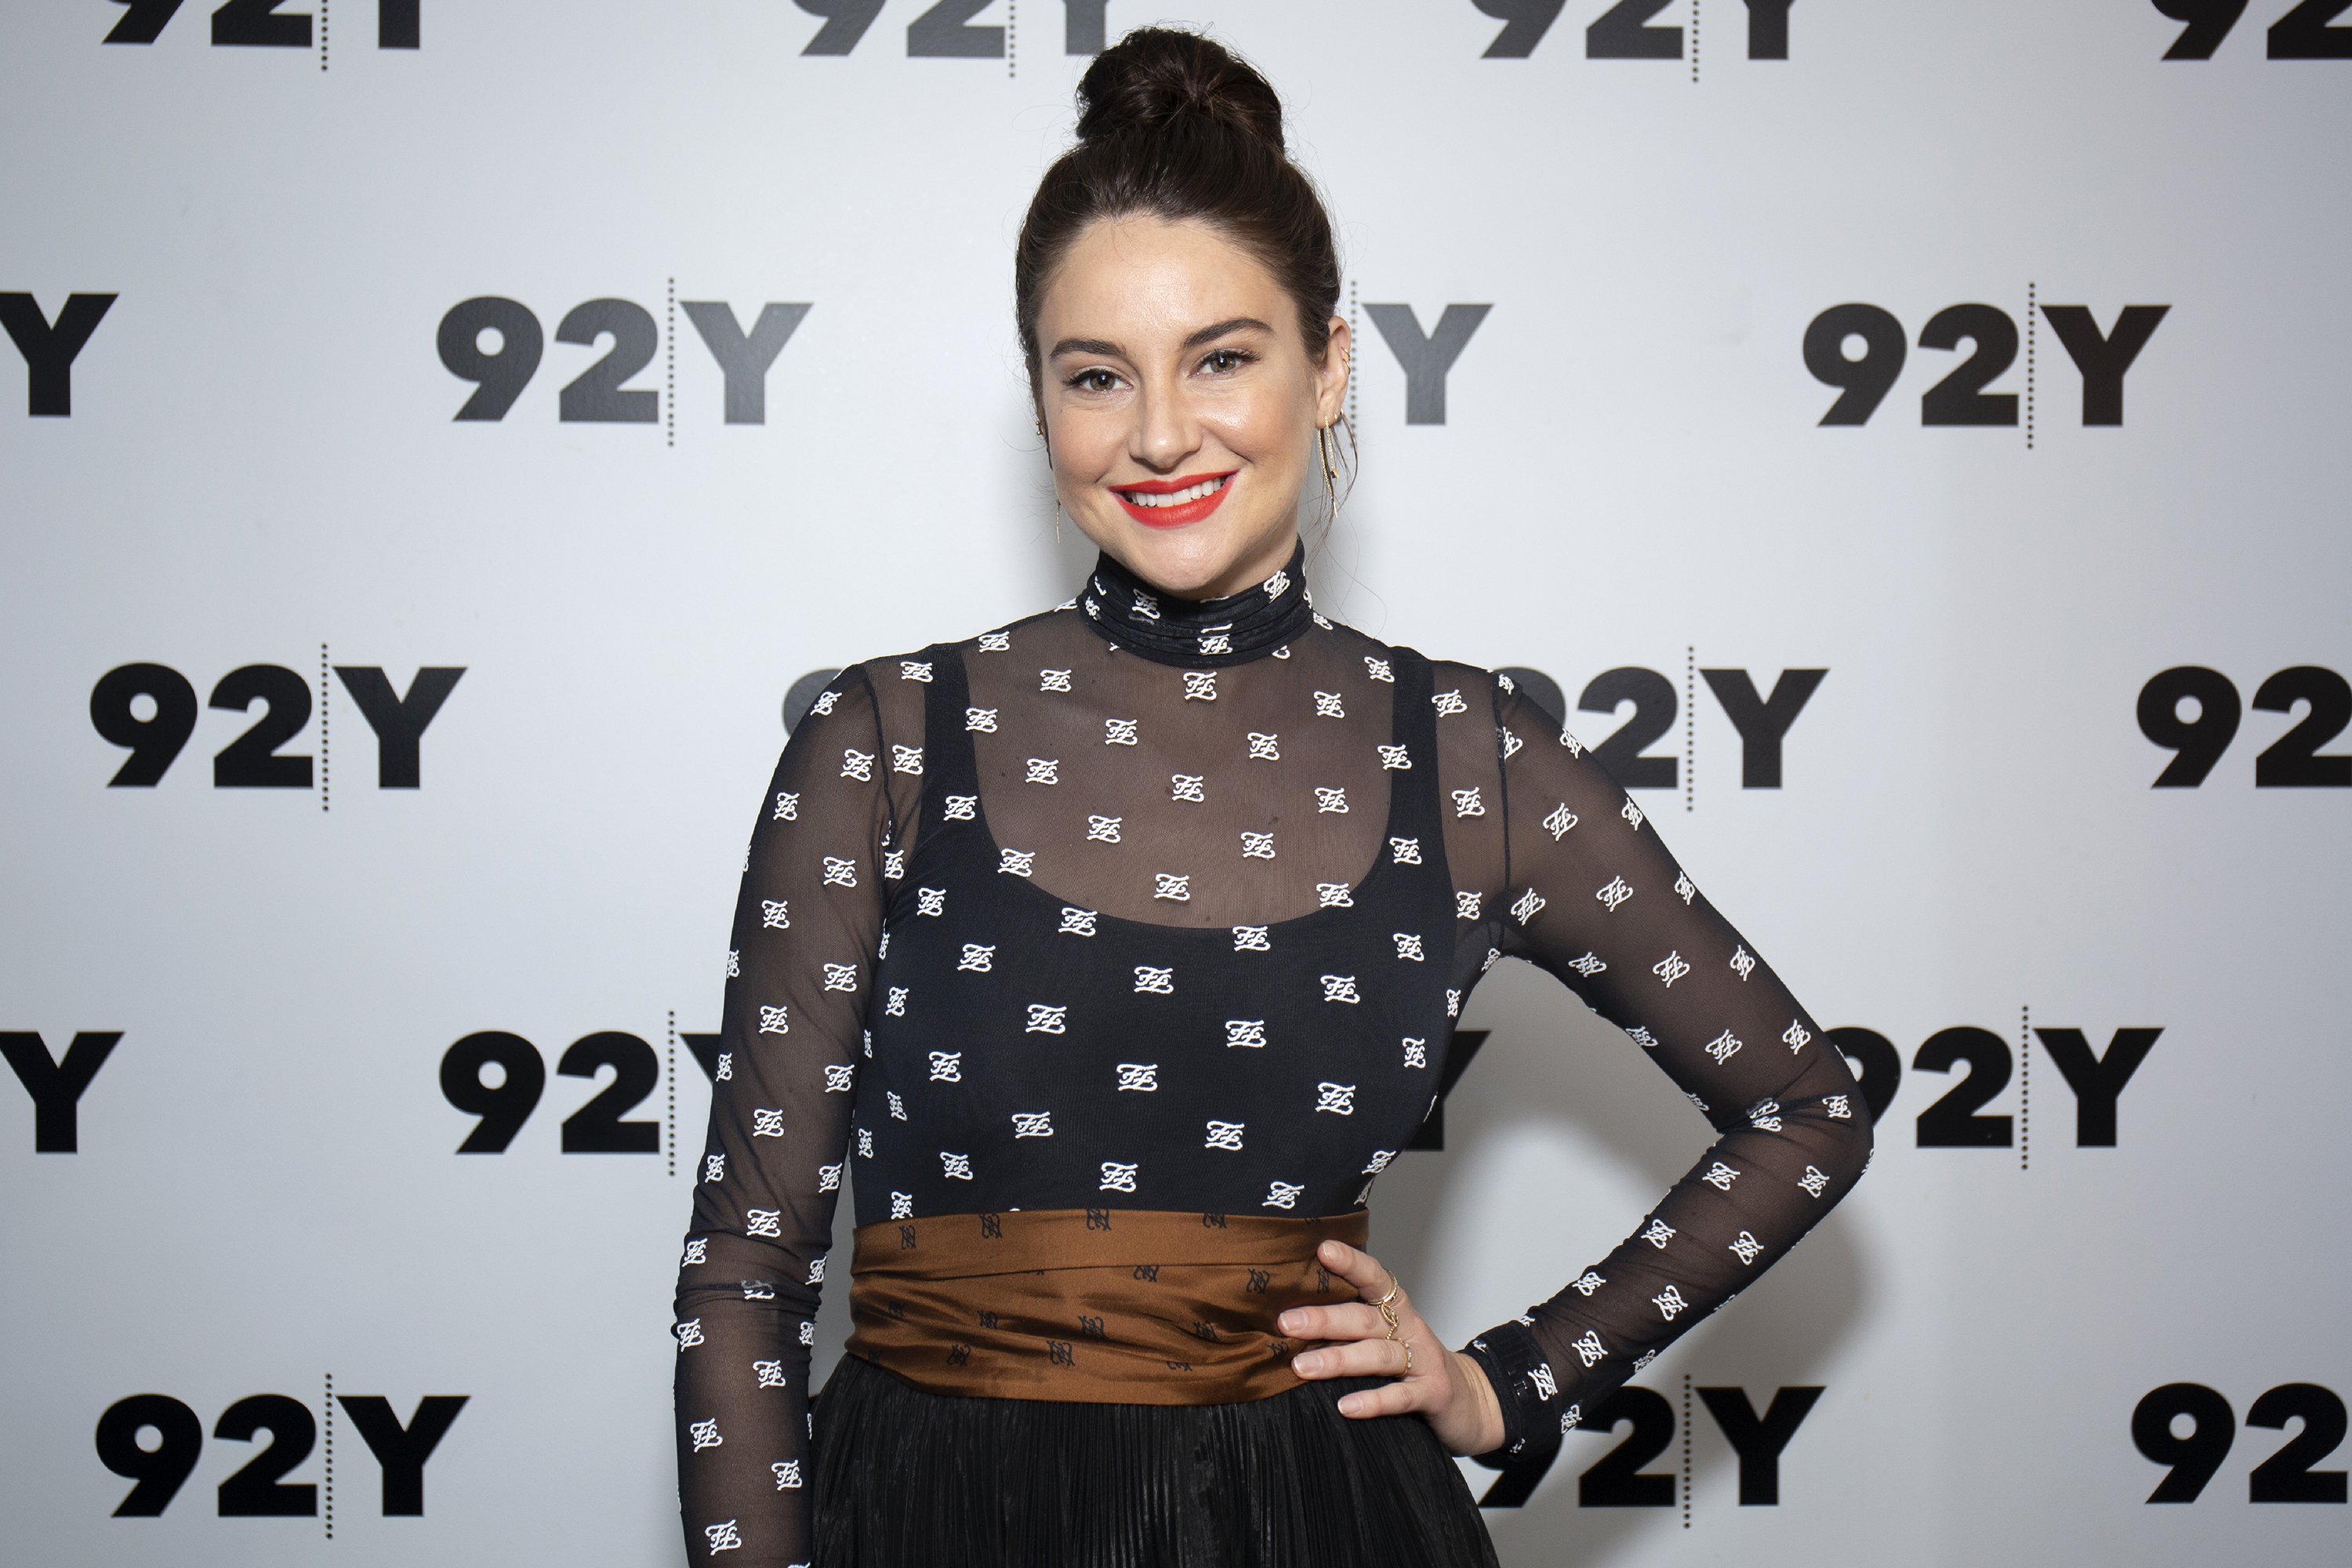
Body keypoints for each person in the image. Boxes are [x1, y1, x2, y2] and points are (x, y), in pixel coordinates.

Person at [672, 26, 1872, 1566]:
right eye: (1096, 374)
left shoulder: (1470, 756)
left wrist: (1517, 1378)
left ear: (1329, 366)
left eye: (1221, 357)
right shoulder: (889, 740)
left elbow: (1804, 1109)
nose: (1161, 433)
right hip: (935, 1516)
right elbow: (746, 1274)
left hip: (1327, 1520)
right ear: (1040, 405)